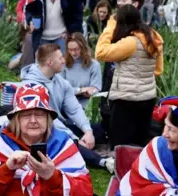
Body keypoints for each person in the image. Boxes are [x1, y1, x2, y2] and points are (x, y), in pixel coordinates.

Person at [21, 44, 112, 172]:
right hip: (43, 131)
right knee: (69, 142)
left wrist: (87, 131)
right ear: (49, 62)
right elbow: (50, 121)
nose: (64, 60)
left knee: (98, 129)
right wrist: (73, 138)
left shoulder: (60, 81)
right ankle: (102, 162)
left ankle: (84, 145)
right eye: (60, 58)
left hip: (61, 125)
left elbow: (74, 109)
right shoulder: (31, 86)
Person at [96, 4, 164, 149]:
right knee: (139, 143)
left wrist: (110, 26)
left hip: (126, 100)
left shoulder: (130, 43)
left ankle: (122, 171)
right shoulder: (153, 37)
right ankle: (139, 171)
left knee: (120, 145)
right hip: (147, 97)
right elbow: (158, 70)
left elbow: (100, 52)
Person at [97, 0, 145, 140]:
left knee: (122, 115)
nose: (119, 3)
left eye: (124, 0)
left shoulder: (139, 30)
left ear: (135, 4)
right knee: (106, 106)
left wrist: (111, 24)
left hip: (127, 79)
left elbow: (101, 52)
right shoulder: (119, 23)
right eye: (119, 0)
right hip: (111, 71)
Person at [16, 0, 83, 53]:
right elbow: (29, 11)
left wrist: (71, 32)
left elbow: (77, 15)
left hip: (62, 37)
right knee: (41, 64)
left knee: (62, 64)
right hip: (41, 38)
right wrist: (30, 22)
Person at [61, 32, 102, 110]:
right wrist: (80, 90)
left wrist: (89, 92)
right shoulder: (63, 64)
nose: (73, 53)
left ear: (83, 48)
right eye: (70, 50)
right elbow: (61, 90)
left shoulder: (94, 65)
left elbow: (96, 90)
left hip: (87, 107)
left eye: (76, 49)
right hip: (67, 106)